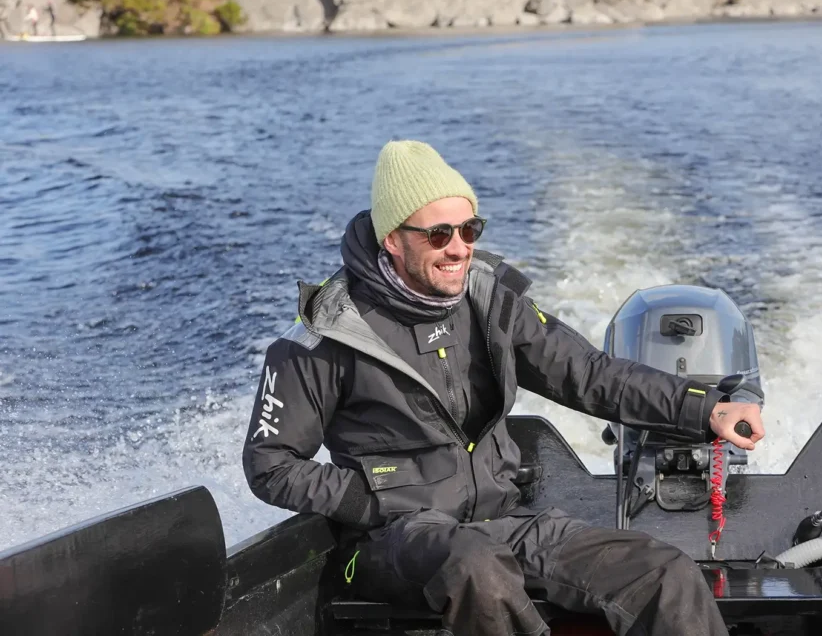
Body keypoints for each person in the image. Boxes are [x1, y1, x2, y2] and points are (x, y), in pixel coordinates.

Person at [243, 140, 766, 636]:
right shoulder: (329, 333)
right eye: (438, 234)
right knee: (477, 567)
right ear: (393, 240)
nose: (459, 248)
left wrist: (706, 410)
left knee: (664, 571)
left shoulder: (492, 301)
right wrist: (372, 501)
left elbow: (590, 374)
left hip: (500, 521)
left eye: (469, 229)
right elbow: (271, 464)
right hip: (389, 541)